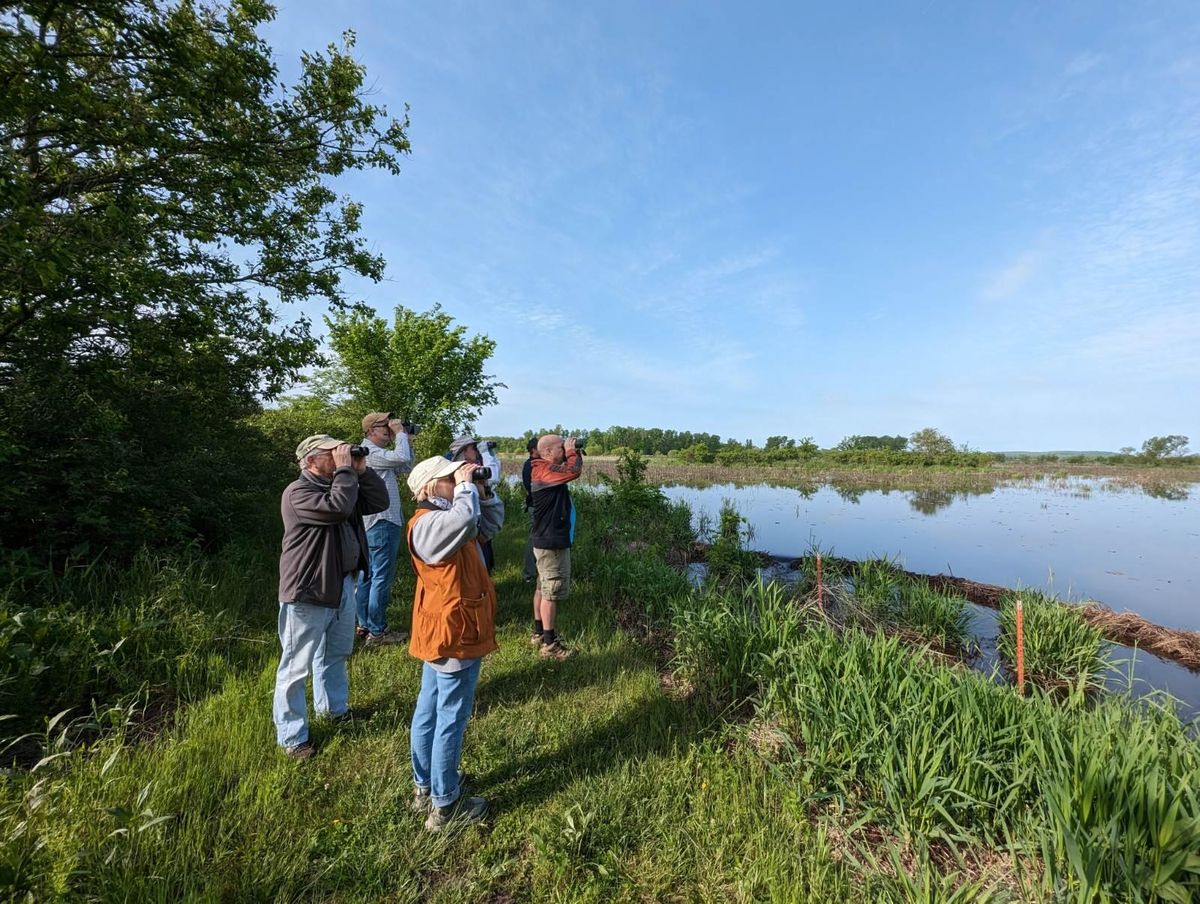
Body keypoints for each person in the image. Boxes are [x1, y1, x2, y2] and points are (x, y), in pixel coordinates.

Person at [273, 434, 389, 759]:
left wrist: (362, 470)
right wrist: (346, 473)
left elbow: (379, 502)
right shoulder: (298, 493)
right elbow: (338, 509)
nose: (340, 455)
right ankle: (293, 738)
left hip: (341, 586)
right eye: (331, 452)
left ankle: (334, 711)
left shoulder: (340, 485)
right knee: (296, 667)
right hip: (308, 591)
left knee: (334, 655)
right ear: (310, 460)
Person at [405, 455, 504, 831]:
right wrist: (466, 490)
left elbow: (488, 525)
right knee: (449, 718)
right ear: (431, 487)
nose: (458, 479)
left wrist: (483, 490)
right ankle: (445, 805)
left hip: (446, 628)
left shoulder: (448, 517)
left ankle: (425, 786)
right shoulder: (428, 524)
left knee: (430, 710)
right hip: (453, 631)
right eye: (450, 477)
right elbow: (463, 520)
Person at [355, 411, 415, 647]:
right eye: (385, 426)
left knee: (367, 576)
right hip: (382, 521)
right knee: (379, 577)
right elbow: (400, 458)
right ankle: (377, 632)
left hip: (377, 522)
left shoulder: (377, 454)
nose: (390, 428)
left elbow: (405, 465)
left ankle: (365, 625)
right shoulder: (370, 452)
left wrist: (406, 440)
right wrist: (400, 434)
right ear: (371, 431)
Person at [529, 434, 582, 660]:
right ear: (549, 452)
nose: (565, 449)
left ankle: (538, 633)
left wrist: (573, 452)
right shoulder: (544, 471)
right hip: (551, 543)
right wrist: (573, 453)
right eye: (561, 447)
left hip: (545, 540)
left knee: (543, 587)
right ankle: (549, 645)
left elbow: (570, 470)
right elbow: (574, 471)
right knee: (551, 592)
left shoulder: (543, 469)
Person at [446, 436, 502, 572]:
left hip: (480, 524)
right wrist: (485, 452)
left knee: (484, 562)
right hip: (465, 527)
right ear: (463, 452)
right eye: (473, 448)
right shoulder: (456, 472)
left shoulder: (474, 468)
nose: (476, 451)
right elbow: (493, 477)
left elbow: (491, 476)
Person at [520, 437, 539, 583]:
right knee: (534, 539)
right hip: (536, 506)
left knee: (537, 538)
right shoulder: (530, 465)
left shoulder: (535, 464)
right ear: (533, 450)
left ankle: (535, 571)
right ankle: (529, 573)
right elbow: (531, 488)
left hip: (536, 505)